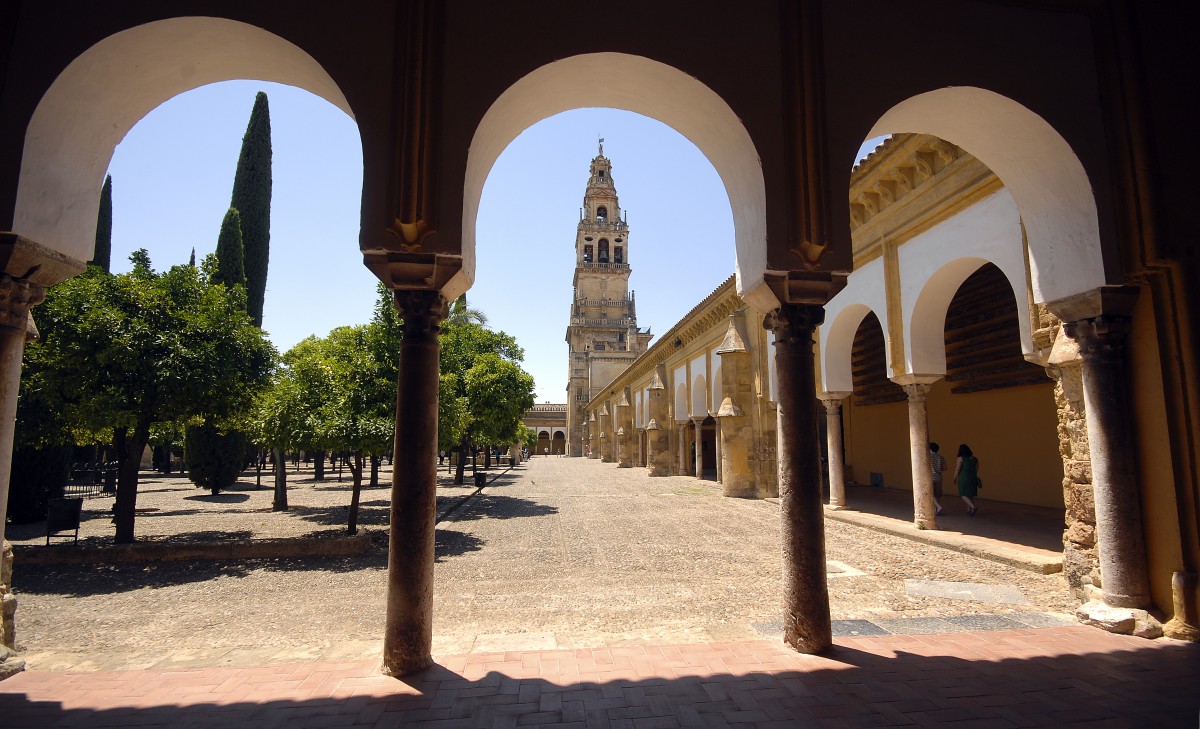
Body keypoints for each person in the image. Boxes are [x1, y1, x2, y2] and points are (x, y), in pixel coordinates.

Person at [952, 443, 980, 515]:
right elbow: (976, 469)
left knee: (963, 494)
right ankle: (969, 509)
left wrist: (954, 477)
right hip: (972, 477)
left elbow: (957, 469)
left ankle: (973, 507)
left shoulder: (961, 458)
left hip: (963, 477)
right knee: (970, 494)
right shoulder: (975, 459)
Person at [929, 442, 947, 515]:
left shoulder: (928, 457)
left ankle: (938, 507)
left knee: (930, 494)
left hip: (931, 477)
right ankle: (937, 510)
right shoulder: (941, 457)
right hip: (939, 477)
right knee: (937, 495)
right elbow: (945, 468)